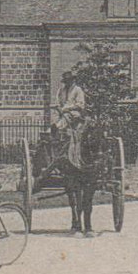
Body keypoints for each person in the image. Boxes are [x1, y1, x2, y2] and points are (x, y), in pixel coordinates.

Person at [53, 72, 95, 236]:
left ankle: (76, 151)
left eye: (69, 81)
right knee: (57, 129)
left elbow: (80, 105)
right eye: (66, 81)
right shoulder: (61, 91)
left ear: (73, 81)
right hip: (64, 115)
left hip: (75, 115)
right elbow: (58, 102)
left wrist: (67, 108)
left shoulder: (78, 90)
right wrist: (60, 108)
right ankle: (60, 151)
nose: (67, 83)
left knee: (62, 126)